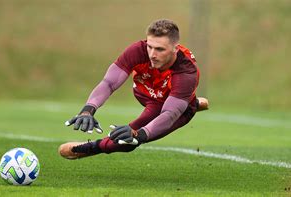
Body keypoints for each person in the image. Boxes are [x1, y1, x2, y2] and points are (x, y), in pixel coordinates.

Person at [58, 19, 209, 159]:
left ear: (175, 49)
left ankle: (91, 148)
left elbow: (170, 113)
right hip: (145, 94)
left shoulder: (187, 72)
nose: (152, 55)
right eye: (150, 46)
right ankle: (193, 101)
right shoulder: (138, 50)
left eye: (160, 49)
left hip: (171, 107)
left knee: (127, 142)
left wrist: (139, 134)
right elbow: (109, 83)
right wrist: (88, 110)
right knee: (133, 134)